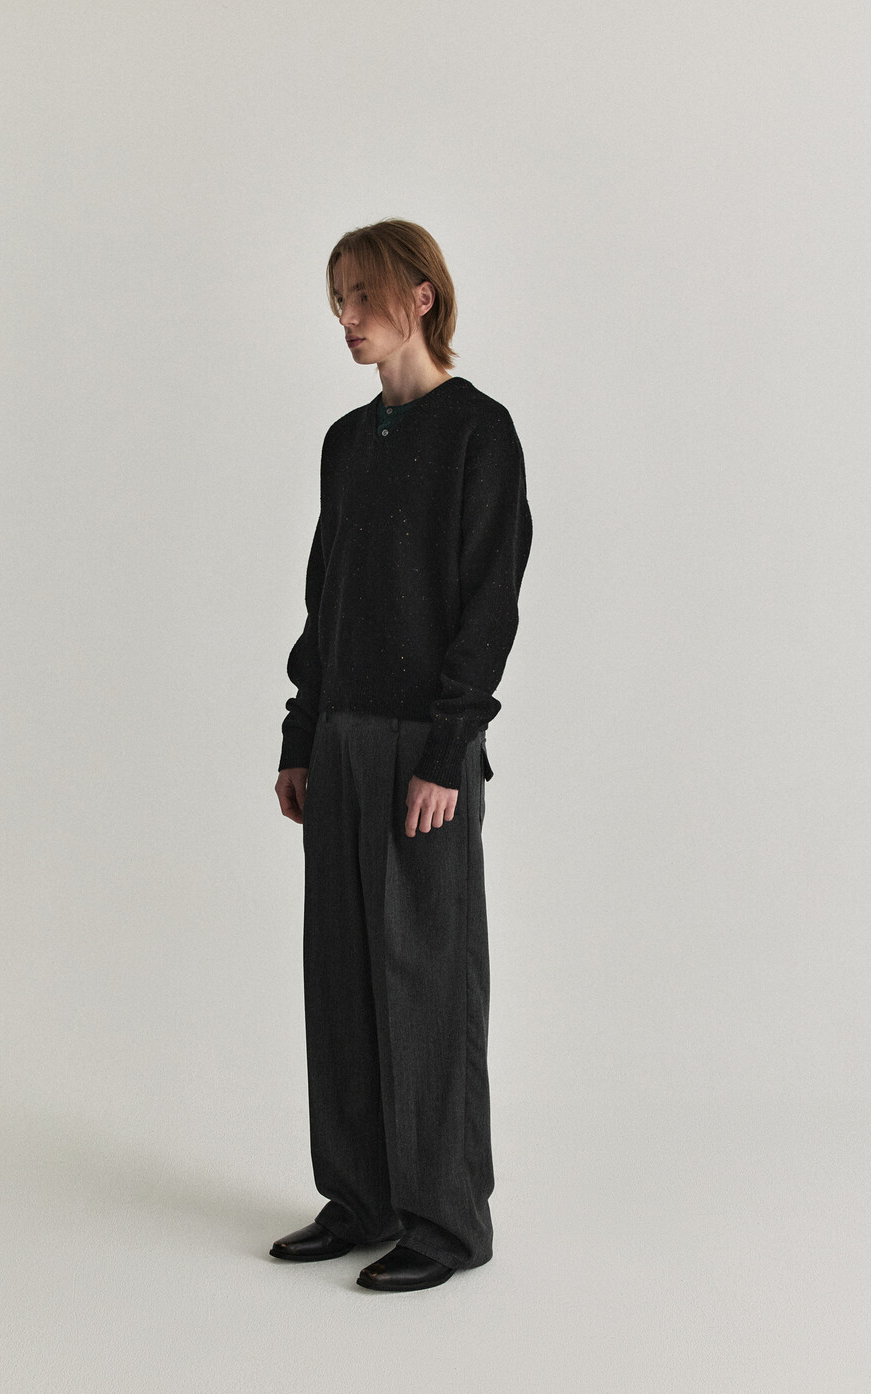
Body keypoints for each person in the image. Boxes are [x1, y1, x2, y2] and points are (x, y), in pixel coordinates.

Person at [271, 218, 533, 1292]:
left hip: (425, 751)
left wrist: (447, 750)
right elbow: (325, 597)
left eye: (364, 295)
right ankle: (361, 1196)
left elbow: (488, 606)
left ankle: (444, 1219)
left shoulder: (479, 432)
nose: (347, 317)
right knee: (339, 973)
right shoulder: (345, 442)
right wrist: (301, 732)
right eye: (337, 298)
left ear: (420, 296)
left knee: (426, 980)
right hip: (339, 739)